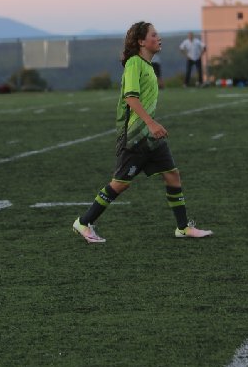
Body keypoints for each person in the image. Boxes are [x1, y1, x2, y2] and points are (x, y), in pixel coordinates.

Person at [72, 21, 214, 244]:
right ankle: (83, 222)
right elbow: (130, 97)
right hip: (135, 135)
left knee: (172, 174)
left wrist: (151, 126)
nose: (159, 38)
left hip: (149, 135)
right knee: (120, 183)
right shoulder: (134, 64)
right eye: (154, 35)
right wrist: (151, 123)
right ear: (141, 41)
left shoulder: (148, 65)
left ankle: (183, 227)